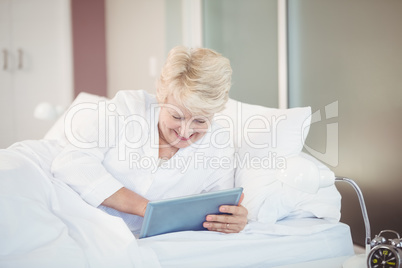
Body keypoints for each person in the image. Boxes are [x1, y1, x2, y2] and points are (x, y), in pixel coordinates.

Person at [51, 46, 248, 235]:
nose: (186, 131)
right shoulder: (127, 108)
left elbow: (217, 206)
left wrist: (232, 219)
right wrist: (146, 208)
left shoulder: (219, 143)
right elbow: (71, 163)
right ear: (161, 97)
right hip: (81, 224)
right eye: (176, 117)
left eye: (200, 120)